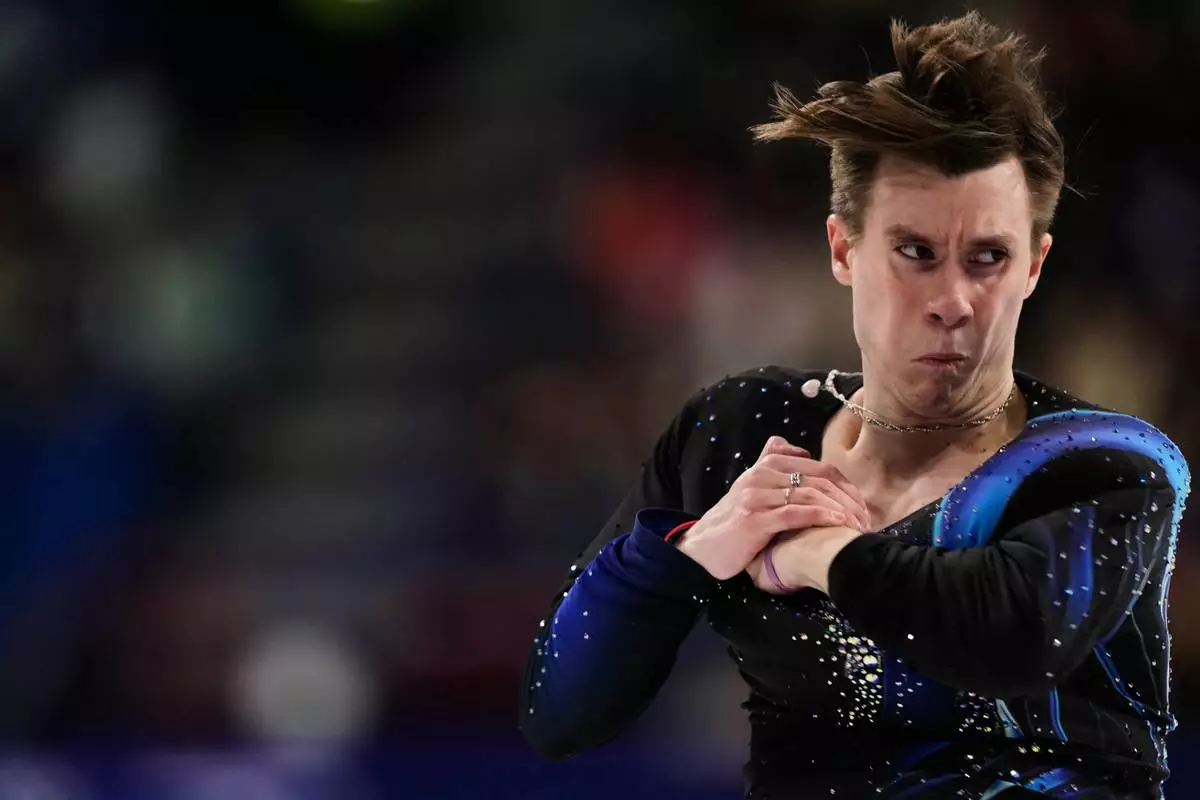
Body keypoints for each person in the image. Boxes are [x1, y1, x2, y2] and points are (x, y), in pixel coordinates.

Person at [518, 11, 1191, 799]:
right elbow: (560, 713)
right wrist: (696, 551)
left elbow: (1003, 640)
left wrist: (812, 551)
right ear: (843, 248)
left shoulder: (1104, 462)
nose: (952, 300)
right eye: (915, 253)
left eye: (987, 258)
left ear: (1034, 265)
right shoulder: (740, 434)